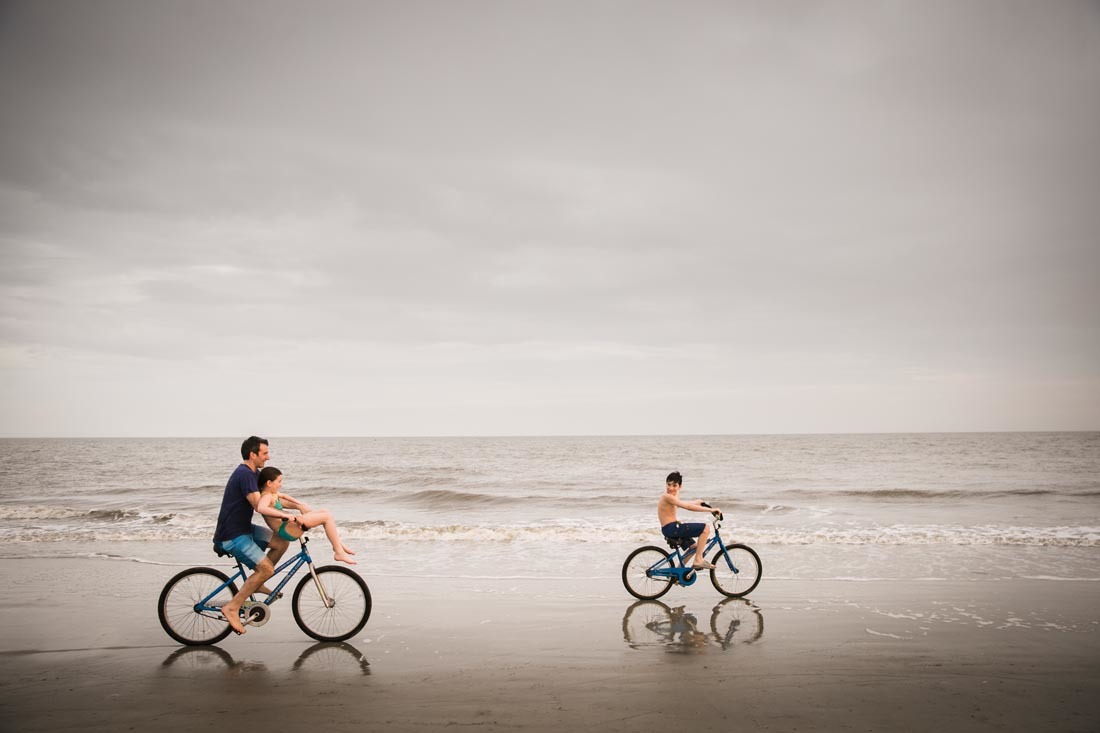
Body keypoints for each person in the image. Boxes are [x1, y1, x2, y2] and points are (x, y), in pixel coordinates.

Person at [212, 435, 290, 635]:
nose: (268, 458)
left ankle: (257, 582)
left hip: (244, 529)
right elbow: (259, 505)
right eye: (264, 453)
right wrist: (285, 516)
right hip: (232, 535)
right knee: (266, 569)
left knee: (281, 542)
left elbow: (272, 496)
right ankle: (232, 607)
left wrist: (301, 509)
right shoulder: (244, 474)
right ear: (252, 454)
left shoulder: (254, 473)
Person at [255, 466, 357, 565]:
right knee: (326, 517)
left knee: (324, 511)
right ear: (269, 483)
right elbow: (261, 508)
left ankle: (338, 545)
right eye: (279, 481)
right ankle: (338, 551)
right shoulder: (266, 496)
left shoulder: (273, 494)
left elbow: (285, 498)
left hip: (288, 526)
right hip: (285, 530)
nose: (281, 485)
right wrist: (284, 515)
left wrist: (300, 504)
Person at [657, 471, 720, 570]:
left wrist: (697, 502)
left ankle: (677, 572)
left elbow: (681, 503)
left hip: (671, 528)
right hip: (672, 528)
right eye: (668, 484)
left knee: (694, 547)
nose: (671, 488)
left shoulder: (673, 496)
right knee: (705, 528)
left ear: (680, 486)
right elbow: (687, 507)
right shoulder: (667, 496)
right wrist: (711, 510)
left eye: (674, 485)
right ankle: (698, 560)